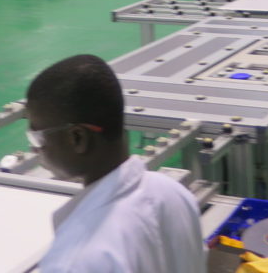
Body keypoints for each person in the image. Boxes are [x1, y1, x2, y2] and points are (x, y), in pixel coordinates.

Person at [26, 54, 205, 273]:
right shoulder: (174, 194)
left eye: (38, 137)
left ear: (77, 139)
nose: (34, 149)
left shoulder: (76, 261)